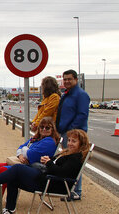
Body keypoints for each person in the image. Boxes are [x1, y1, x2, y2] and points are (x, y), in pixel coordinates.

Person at [0, 129, 90, 214]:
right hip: (47, 178)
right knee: (14, 178)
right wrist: (48, 160)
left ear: (81, 144)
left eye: (74, 141)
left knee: (18, 168)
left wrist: (49, 163)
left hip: (52, 183)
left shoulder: (76, 158)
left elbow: (61, 172)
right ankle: (10, 209)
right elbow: (56, 165)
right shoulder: (69, 153)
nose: (70, 143)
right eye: (69, 140)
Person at [0, 117, 60, 212]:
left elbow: (31, 155)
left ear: (52, 129)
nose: (44, 129)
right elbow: (21, 147)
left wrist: (24, 151)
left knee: (2, 170)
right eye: (41, 127)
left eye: (47, 128)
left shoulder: (49, 141)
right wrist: (21, 155)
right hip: (24, 162)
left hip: (32, 168)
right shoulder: (37, 138)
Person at [56, 69, 90, 200]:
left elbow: (82, 115)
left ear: (76, 80)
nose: (67, 81)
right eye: (65, 79)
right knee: (67, 162)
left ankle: (76, 191)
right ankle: (68, 189)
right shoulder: (67, 94)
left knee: (75, 162)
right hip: (66, 133)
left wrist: (71, 133)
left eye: (69, 79)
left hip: (75, 135)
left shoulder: (81, 95)